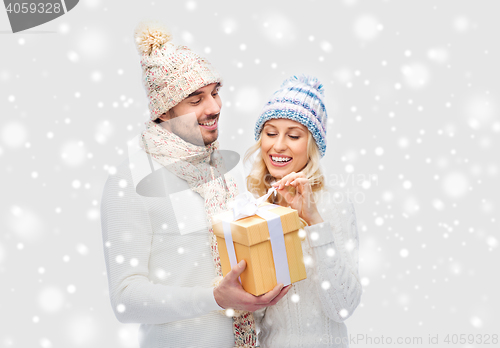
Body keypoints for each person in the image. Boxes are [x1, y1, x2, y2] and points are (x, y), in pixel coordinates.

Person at [99, 21, 289, 348]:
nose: (214, 107)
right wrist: (213, 298)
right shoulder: (130, 180)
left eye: (215, 93)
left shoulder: (225, 170)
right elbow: (125, 299)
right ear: (165, 110)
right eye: (195, 99)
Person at [244, 75, 362, 347]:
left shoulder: (334, 205)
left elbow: (342, 307)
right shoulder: (252, 205)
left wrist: (314, 221)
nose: (279, 145)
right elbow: (252, 316)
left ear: (312, 146)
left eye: (294, 135)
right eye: (270, 133)